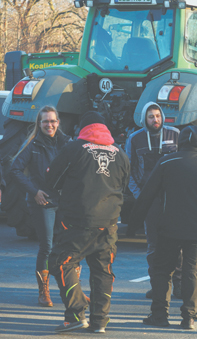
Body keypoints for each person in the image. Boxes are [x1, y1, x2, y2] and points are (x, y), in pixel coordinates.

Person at [132, 126, 197, 330]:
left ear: (181, 142)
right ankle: (189, 316)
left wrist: (133, 224)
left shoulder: (167, 162)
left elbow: (147, 195)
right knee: (193, 270)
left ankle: (159, 315)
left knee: (162, 270)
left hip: (170, 226)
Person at [46, 111, 130, 333]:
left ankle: (76, 312)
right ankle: (99, 321)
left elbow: (52, 180)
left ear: (83, 129)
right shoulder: (120, 153)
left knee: (61, 262)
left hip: (77, 221)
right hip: (109, 222)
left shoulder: (74, 149)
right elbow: (124, 185)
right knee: (103, 270)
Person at [9, 106, 70, 308]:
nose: (49, 125)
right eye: (45, 121)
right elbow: (15, 169)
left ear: (58, 122)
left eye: (53, 121)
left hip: (64, 202)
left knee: (68, 246)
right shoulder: (33, 145)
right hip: (43, 202)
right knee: (47, 246)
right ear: (39, 123)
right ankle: (44, 292)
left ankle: (72, 291)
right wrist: (34, 191)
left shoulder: (67, 143)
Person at [125, 102, 180, 299]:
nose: (155, 120)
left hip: (173, 199)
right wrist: (140, 196)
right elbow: (128, 171)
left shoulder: (175, 135)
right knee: (153, 245)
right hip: (150, 200)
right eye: (151, 116)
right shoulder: (134, 139)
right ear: (144, 119)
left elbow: (184, 164)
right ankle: (157, 284)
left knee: (177, 241)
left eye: (157, 116)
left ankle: (179, 283)